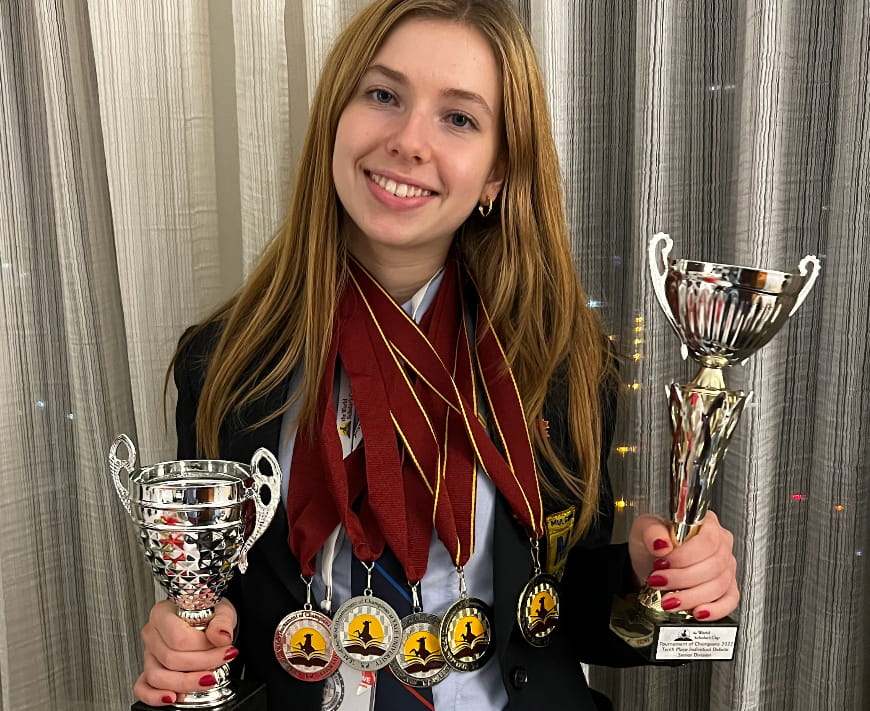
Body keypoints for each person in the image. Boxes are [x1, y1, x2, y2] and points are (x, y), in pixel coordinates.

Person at [134, 1, 739, 709]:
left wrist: (649, 580)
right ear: (335, 118)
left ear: (497, 173)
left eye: (458, 118)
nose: (409, 142)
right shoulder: (224, 365)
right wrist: (189, 651)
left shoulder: (565, 365)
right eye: (383, 95)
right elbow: (223, 610)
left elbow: (557, 613)